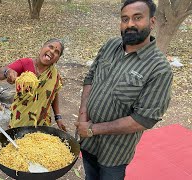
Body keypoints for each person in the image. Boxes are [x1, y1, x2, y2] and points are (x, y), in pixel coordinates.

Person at [74, 0, 173, 179]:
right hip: (87, 141)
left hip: (115, 153)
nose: (130, 24)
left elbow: (144, 119)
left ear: (152, 22)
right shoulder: (111, 45)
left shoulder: (159, 68)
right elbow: (90, 77)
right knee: (90, 175)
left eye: (137, 18)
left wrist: (92, 129)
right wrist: (83, 114)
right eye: (125, 19)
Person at [0, 39, 67, 131]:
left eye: (57, 52)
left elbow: (53, 93)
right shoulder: (25, 63)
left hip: (42, 121)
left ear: (57, 59)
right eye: (50, 47)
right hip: (20, 119)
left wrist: (58, 117)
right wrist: (7, 72)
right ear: (42, 48)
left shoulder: (54, 75)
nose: (52, 51)